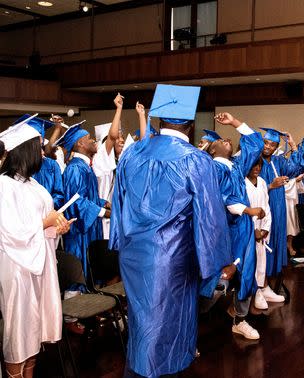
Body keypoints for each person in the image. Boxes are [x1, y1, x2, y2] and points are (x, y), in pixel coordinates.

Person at [109, 84, 234, 377]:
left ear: (158, 119)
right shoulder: (196, 160)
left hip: (134, 257)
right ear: (190, 125)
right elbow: (209, 218)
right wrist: (216, 264)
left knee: (142, 321)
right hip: (174, 257)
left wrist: (120, 241)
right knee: (169, 325)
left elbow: (119, 202)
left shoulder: (132, 153)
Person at [0, 118, 71, 378]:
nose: (43, 153)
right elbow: (10, 231)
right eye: (39, 147)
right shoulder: (4, 186)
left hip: (40, 263)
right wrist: (46, 222)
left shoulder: (32, 184)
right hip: (18, 267)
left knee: (33, 333)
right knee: (19, 332)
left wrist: (56, 228)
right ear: (25, 151)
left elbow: (42, 224)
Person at [200, 112, 265, 340]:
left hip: (243, 228)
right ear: (211, 150)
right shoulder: (212, 169)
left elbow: (255, 143)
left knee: (246, 273)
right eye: (219, 141)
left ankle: (240, 319)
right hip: (225, 231)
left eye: (227, 138)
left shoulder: (236, 166)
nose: (225, 139)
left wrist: (235, 121)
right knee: (221, 278)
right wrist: (248, 210)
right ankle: (195, 317)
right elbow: (223, 198)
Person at [56, 121, 110, 278]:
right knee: (79, 277)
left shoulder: (84, 166)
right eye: (89, 138)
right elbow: (75, 202)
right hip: (79, 234)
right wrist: (104, 213)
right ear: (80, 143)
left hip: (89, 229)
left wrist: (103, 203)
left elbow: (86, 197)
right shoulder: (75, 168)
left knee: (92, 274)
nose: (93, 140)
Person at [258, 127, 304, 301]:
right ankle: (260, 287)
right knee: (265, 246)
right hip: (264, 209)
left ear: (277, 146)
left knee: (276, 242)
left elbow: (295, 169)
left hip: (279, 209)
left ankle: (268, 285)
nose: (268, 146)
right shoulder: (256, 161)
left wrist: (293, 145)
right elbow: (249, 186)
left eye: (272, 144)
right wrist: (271, 185)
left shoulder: (278, 161)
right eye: (265, 142)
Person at [13, 114, 65, 210]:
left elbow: (59, 194)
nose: (42, 152)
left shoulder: (52, 165)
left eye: (41, 145)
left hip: (48, 216)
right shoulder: (13, 170)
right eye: (38, 146)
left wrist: (46, 210)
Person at [92, 93, 125, 239]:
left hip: (111, 214)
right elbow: (112, 137)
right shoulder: (101, 156)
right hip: (101, 216)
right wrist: (119, 109)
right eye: (118, 138)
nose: (121, 140)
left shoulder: (116, 160)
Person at [245, 157, 273, 310]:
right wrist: (254, 229)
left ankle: (261, 290)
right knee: (251, 263)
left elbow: (266, 206)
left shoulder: (262, 182)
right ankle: (254, 293)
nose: (257, 168)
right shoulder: (242, 182)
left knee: (261, 261)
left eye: (260, 165)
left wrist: (266, 228)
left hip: (261, 229)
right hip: (249, 230)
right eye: (254, 164)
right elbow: (243, 209)